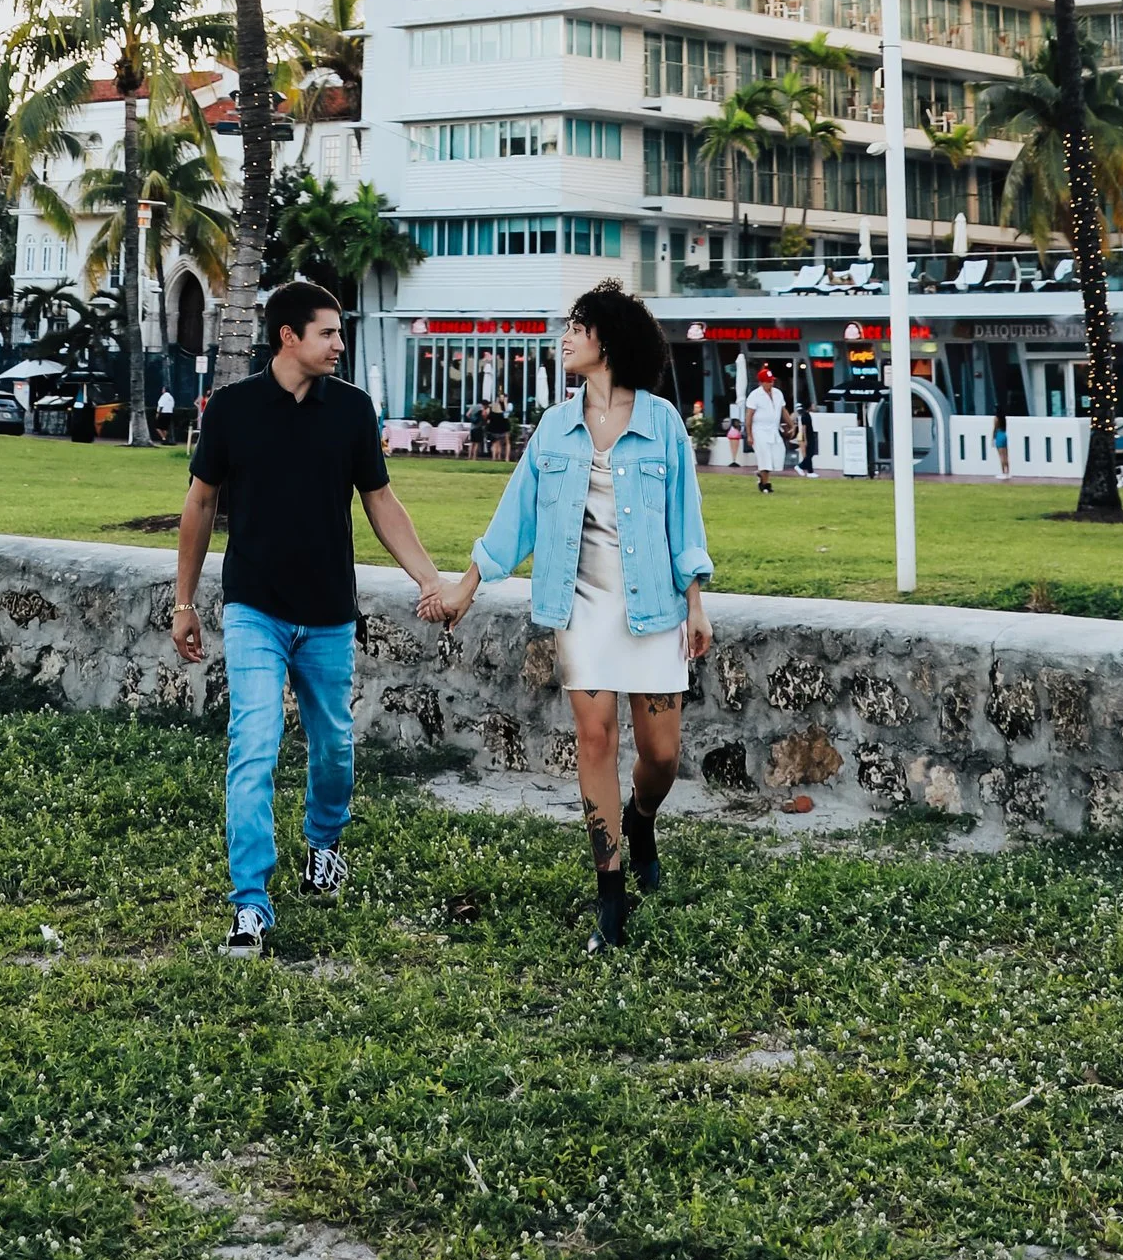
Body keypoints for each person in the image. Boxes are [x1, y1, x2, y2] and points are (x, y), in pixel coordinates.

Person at [172, 278, 453, 960]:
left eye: (339, 331)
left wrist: (429, 578)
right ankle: (249, 905)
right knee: (254, 747)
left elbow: (381, 502)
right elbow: (201, 505)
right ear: (288, 337)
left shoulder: (352, 411)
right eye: (327, 332)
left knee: (334, 750)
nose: (340, 342)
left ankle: (323, 845)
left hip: (328, 612)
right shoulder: (232, 409)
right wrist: (184, 602)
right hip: (254, 610)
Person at [427, 283, 712, 953]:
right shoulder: (555, 427)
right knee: (594, 740)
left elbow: (686, 519)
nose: (565, 337)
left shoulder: (663, 423)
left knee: (661, 755)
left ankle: (641, 819)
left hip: (656, 608)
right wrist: (467, 584)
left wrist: (696, 601)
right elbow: (516, 514)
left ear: (606, 339)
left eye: (576, 327)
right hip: (579, 607)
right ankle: (609, 894)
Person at [747, 369, 787, 494]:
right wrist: (749, 434)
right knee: (765, 457)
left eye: (772, 381)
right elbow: (749, 415)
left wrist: (791, 425)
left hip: (773, 429)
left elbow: (783, 410)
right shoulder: (755, 395)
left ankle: (761, 475)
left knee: (778, 454)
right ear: (761, 383)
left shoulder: (778, 393)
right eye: (768, 382)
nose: (771, 384)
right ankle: (765, 485)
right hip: (759, 430)